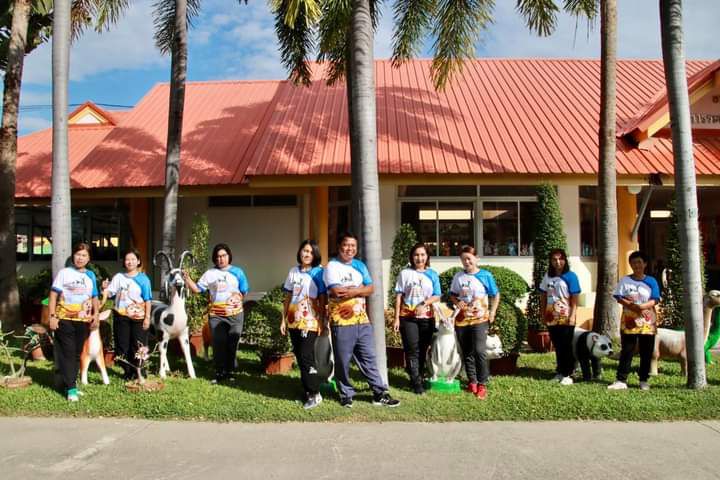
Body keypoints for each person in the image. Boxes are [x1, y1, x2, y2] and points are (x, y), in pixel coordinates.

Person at [323, 232, 400, 408]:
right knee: (343, 360)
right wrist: (359, 289)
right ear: (339, 246)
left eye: (353, 246)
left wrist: (353, 291)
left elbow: (371, 288)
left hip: (362, 320)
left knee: (369, 358)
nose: (349, 249)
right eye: (346, 245)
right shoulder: (332, 266)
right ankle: (346, 394)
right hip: (342, 321)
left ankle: (380, 393)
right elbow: (336, 292)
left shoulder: (360, 265)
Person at [185, 243, 249, 384]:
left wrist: (237, 299)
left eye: (224, 256)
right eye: (218, 256)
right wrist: (187, 279)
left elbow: (244, 290)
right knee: (219, 343)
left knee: (232, 343)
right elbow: (197, 289)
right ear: (215, 258)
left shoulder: (238, 272)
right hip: (216, 315)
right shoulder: (210, 274)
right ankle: (219, 372)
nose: (221, 259)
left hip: (235, 315)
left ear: (229, 256)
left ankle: (230, 372)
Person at [48, 242, 100, 401]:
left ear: (89, 258)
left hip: (83, 320)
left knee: (77, 353)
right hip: (64, 319)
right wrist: (52, 316)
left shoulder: (90, 275)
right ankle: (71, 389)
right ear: (73, 256)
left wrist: (96, 314)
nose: (80, 258)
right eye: (78, 254)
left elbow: (94, 297)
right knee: (68, 352)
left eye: (84, 255)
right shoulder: (64, 273)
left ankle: (71, 384)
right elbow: (53, 295)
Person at [449, 245, 500, 400]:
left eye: (469, 259)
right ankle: (472, 381)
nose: (466, 262)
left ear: (476, 258)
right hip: (462, 320)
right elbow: (452, 295)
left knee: (479, 350)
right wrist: (457, 302)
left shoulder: (485, 275)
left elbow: (495, 294)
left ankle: (482, 383)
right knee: (467, 351)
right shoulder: (458, 277)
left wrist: (492, 312)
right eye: (463, 259)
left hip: (480, 319)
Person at [281, 240, 327, 410]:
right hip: (293, 321)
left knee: (306, 355)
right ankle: (307, 390)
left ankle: (315, 393)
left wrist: (322, 320)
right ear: (300, 252)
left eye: (310, 252)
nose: (306, 254)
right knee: (300, 357)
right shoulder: (293, 271)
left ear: (315, 255)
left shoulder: (319, 272)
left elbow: (322, 298)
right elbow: (288, 297)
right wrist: (283, 319)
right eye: (304, 251)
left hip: (310, 321)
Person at [392, 242, 441, 394]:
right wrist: (396, 318)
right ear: (412, 257)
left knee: (423, 349)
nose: (419, 258)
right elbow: (399, 296)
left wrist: (424, 303)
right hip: (407, 317)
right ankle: (416, 382)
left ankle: (417, 374)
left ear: (427, 257)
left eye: (422, 255)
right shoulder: (404, 273)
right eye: (416, 255)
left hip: (427, 318)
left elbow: (437, 295)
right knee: (412, 348)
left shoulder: (432, 274)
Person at [608, 251, 661, 391]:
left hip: (647, 321)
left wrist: (642, 307)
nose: (636, 265)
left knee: (646, 351)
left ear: (645, 264)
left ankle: (643, 380)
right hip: (629, 321)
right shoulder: (625, 280)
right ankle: (621, 379)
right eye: (633, 263)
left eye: (639, 262)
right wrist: (632, 306)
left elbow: (655, 299)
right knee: (627, 350)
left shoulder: (651, 281)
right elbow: (618, 297)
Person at [101, 248, 152, 380]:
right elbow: (110, 293)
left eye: (133, 259)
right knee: (122, 345)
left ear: (138, 261)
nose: (130, 262)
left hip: (138, 317)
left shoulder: (143, 279)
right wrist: (104, 288)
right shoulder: (119, 277)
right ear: (124, 262)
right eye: (127, 259)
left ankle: (139, 372)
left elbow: (148, 299)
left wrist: (147, 317)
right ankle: (127, 372)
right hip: (121, 317)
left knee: (138, 345)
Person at [539, 248, 581, 385]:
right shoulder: (547, 276)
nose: (557, 262)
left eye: (560, 259)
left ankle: (569, 373)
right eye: (554, 259)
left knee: (566, 344)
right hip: (551, 316)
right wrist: (543, 314)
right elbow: (543, 295)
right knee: (557, 344)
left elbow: (575, 298)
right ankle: (560, 371)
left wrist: (572, 316)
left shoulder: (571, 276)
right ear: (550, 261)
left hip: (566, 316)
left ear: (565, 260)